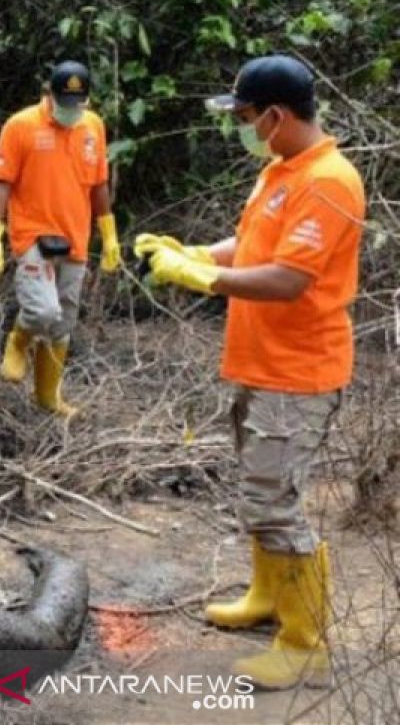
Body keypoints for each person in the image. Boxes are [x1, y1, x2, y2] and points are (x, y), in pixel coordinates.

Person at [135, 54, 365, 690]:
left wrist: (204, 280)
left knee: (275, 504)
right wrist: (197, 254)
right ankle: (269, 596)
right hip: (262, 364)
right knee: (261, 491)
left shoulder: (329, 181)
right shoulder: (282, 170)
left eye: (242, 117)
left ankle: (304, 644)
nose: (238, 127)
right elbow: (258, 247)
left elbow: (291, 278)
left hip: (299, 371)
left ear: (275, 115)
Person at [0, 60, 121, 416]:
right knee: (42, 309)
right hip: (32, 234)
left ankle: (47, 397)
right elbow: (3, 183)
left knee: (63, 324)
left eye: (78, 105)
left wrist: (108, 234)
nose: (71, 112)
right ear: (49, 96)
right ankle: (17, 341)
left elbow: (99, 183)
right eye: (64, 104)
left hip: (75, 236)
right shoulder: (20, 126)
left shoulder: (93, 127)